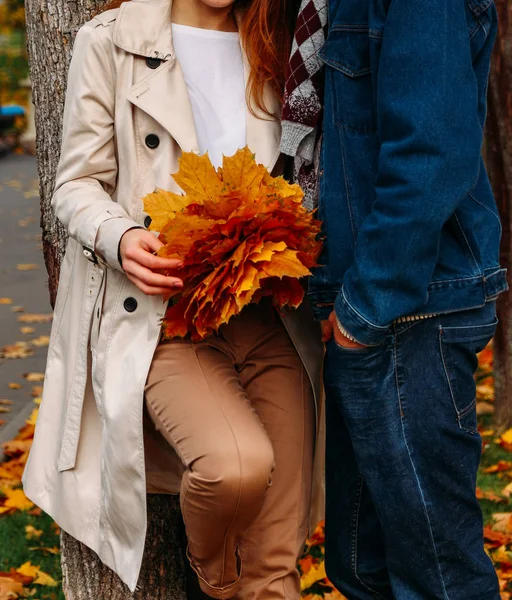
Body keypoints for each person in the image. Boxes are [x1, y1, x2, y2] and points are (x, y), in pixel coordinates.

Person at [22, 0, 325, 598]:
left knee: (279, 559)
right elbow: (77, 181)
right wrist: (122, 235)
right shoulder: (112, 40)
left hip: (268, 312)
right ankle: (216, 578)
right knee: (233, 465)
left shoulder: (273, 42)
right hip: (164, 318)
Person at [312, 0, 506, 598]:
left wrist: (361, 314)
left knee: (437, 578)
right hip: (366, 304)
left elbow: (430, 153)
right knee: (360, 566)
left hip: (409, 309)